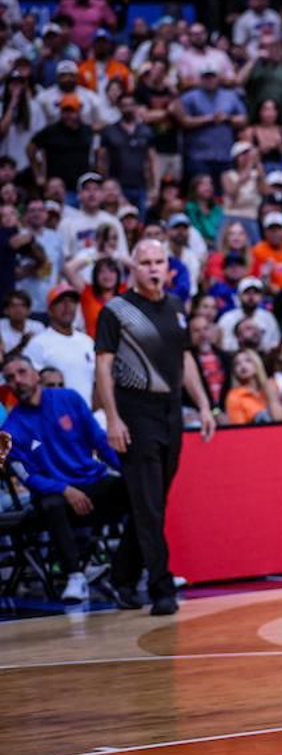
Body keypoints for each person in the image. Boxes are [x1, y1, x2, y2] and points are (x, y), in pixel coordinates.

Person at [95, 238, 217, 615]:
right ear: (132, 267)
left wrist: (203, 405)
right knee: (148, 505)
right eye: (144, 262)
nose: (152, 268)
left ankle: (120, 577)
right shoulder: (116, 311)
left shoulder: (176, 307)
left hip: (170, 411)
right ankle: (161, 587)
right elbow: (102, 366)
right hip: (135, 409)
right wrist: (113, 418)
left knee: (152, 503)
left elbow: (185, 359)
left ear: (168, 267)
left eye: (158, 261)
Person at [1, 352, 133, 605]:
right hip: (58, 497)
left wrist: (129, 472)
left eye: (21, 372)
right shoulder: (10, 432)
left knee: (139, 491)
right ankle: (75, 576)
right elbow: (29, 478)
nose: (17, 380)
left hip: (93, 483)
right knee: (51, 504)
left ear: (36, 375)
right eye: (10, 378)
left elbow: (100, 442)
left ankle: (137, 567)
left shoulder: (69, 399)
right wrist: (64, 489)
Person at [30, 283, 98, 405]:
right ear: (50, 311)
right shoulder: (38, 343)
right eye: (61, 301)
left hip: (86, 415)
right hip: (54, 416)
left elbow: (96, 383)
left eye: (72, 301)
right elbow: (31, 386)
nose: (67, 306)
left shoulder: (87, 341)